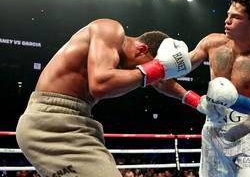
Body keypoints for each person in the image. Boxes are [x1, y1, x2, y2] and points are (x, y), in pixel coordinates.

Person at [15, 18, 192, 177]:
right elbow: (99, 85)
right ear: (141, 49)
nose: (148, 80)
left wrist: (197, 101)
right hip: (51, 121)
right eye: (149, 67)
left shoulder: (121, 58)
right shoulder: (110, 29)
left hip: (74, 121)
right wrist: (156, 69)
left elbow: (160, 82)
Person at [155, 0, 250, 176]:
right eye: (228, 15)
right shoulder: (212, 43)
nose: (227, 21)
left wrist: (235, 100)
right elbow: (172, 72)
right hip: (213, 130)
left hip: (247, 133)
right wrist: (160, 65)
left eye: (236, 17)